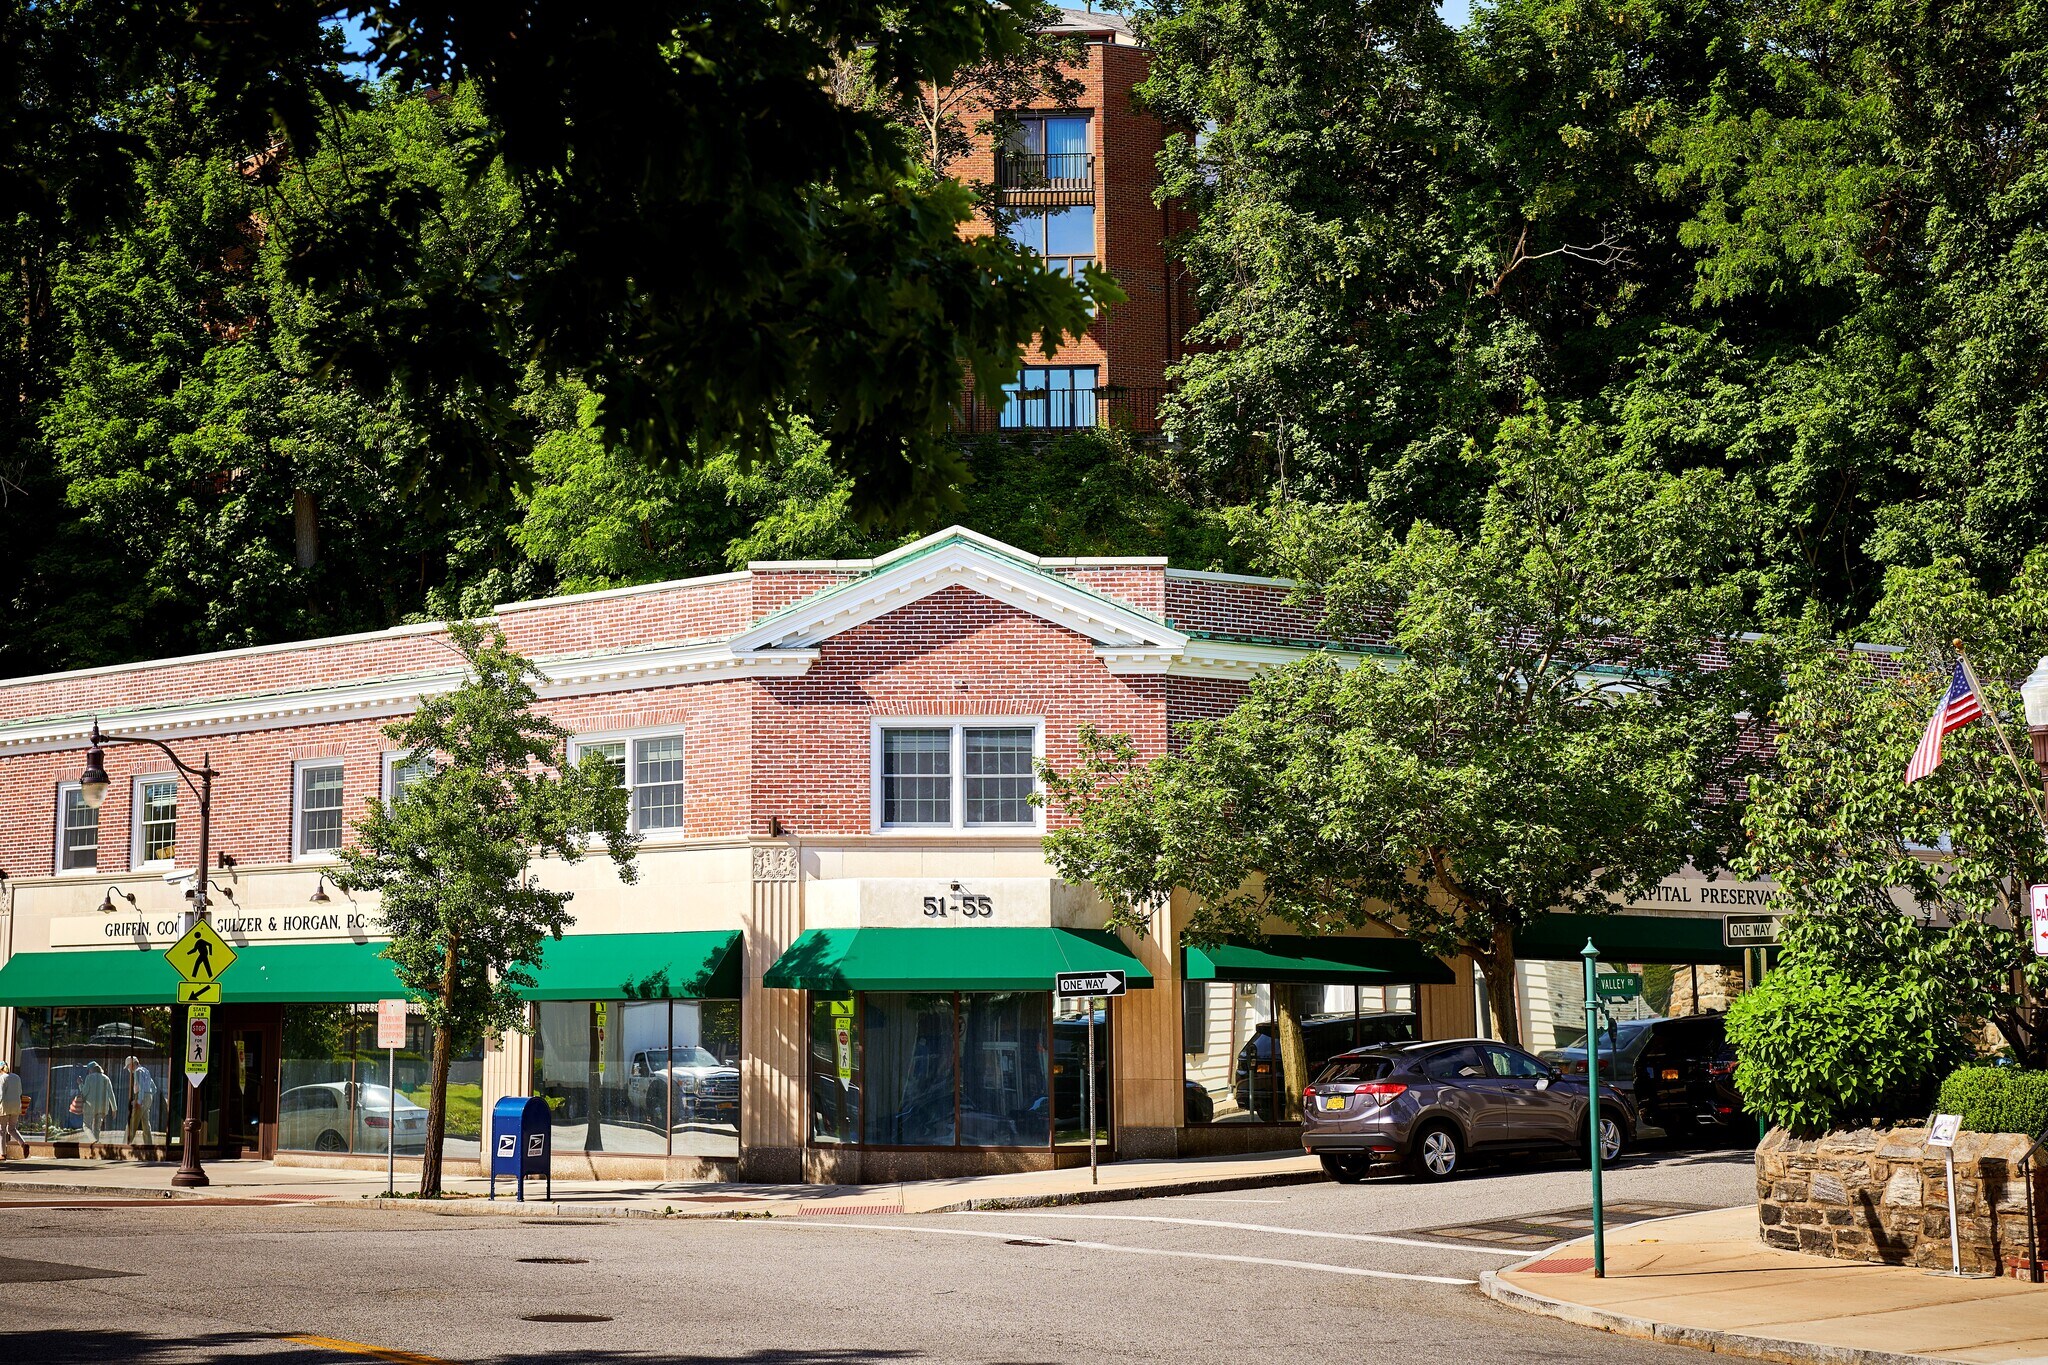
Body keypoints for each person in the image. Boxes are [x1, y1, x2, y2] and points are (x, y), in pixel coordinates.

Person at [78, 1061, 116, 1144]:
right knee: (96, 1128)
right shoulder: (106, 1078)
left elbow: (84, 1092)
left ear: (91, 1069)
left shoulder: (89, 1078)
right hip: (102, 1108)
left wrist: (80, 1084)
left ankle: (93, 1141)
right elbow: (111, 1094)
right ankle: (96, 1146)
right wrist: (114, 1109)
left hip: (90, 1107)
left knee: (86, 1126)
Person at [123, 1056, 157, 1145]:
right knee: (146, 1123)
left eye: (128, 1066)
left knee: (132, 1122)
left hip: (141, 1097)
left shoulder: (137, 1072)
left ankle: (125, 1144)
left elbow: (140, 1087)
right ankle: (148, 1144)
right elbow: (154, 1088)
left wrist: (139, 1101)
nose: (128, 1069)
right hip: (149, 1096)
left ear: (132, 1064)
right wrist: (148, 1098)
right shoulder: (146, 1070)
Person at [0, 1061, 25, 1157]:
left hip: (5, 1106)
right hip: (16, 1105)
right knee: (11, 1128)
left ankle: (3, 1154)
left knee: (1, 1130)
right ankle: (23, 1143)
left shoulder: (2, 1078)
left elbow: (1, 1094)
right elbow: (20, 1092)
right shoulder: (16, 1077)